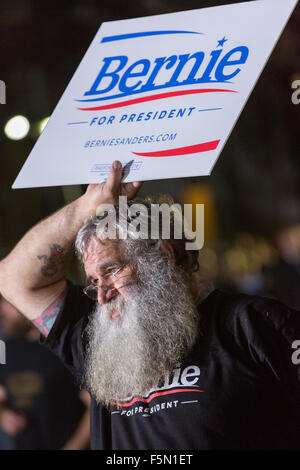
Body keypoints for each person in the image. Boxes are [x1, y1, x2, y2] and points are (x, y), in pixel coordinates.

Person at [0, 160, 299, 450]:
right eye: (93, 280)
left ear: (163, 256)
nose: (102, 294)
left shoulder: (253, 325)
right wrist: (86, 208)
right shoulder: (94, 338)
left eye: (112, 270)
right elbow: (12, 278)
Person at [0, 296, 90, 450]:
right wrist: (3, 415)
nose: (2, 310)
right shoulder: (6, 349)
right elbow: (1, 396)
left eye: (9, 303)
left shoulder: (62, 348)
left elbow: (93, 408)